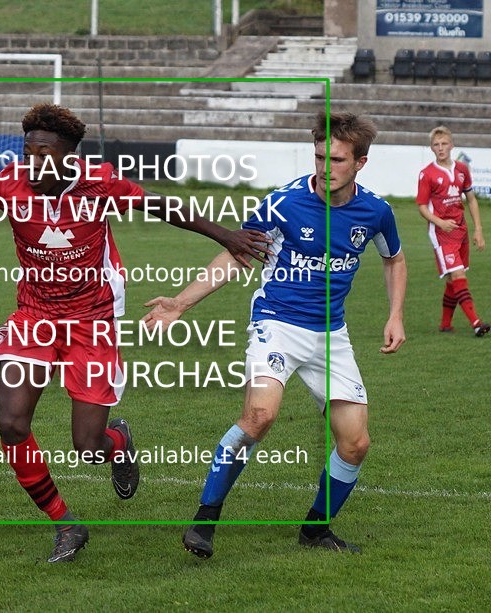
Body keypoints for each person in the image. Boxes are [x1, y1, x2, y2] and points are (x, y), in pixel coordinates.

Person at [0, 103, 270, 563]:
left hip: (92, 319)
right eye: (27, 152)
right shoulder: (10, 181)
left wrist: (225, 236)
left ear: (69, 157)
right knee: (11, 423)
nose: (32, 164)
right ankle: (65, 524)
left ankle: (118, 445)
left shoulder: (99, 183)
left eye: (44, 155)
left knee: (88, 446)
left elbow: (162, 206)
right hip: (34, 314)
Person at [143, 112, 407, 557]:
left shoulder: (377, 212)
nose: (325, 167)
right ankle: (204, 521)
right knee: (259, 417)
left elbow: (394, 259)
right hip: (277, 323)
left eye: (337, 159)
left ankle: (315, 530)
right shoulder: (283, 203)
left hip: (331, 334)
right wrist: (181, 303)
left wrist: (395, 314)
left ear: (361, 162)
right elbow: (237, 254)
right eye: (320, 157)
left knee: (355, 443)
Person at [416, 126, 488, 337]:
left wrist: (478, 230)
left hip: (461, 230)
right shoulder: (427, 174)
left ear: (452, 145)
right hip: (441, 234)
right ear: (431, 148)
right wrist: (440, 222)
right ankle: (476, 323)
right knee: (458, 274)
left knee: (453, 280)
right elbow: (422, 207)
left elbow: (471, 200)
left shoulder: (462, 169)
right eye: (436, 145)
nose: (440, 148)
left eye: (444, 144)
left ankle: (445, 324)